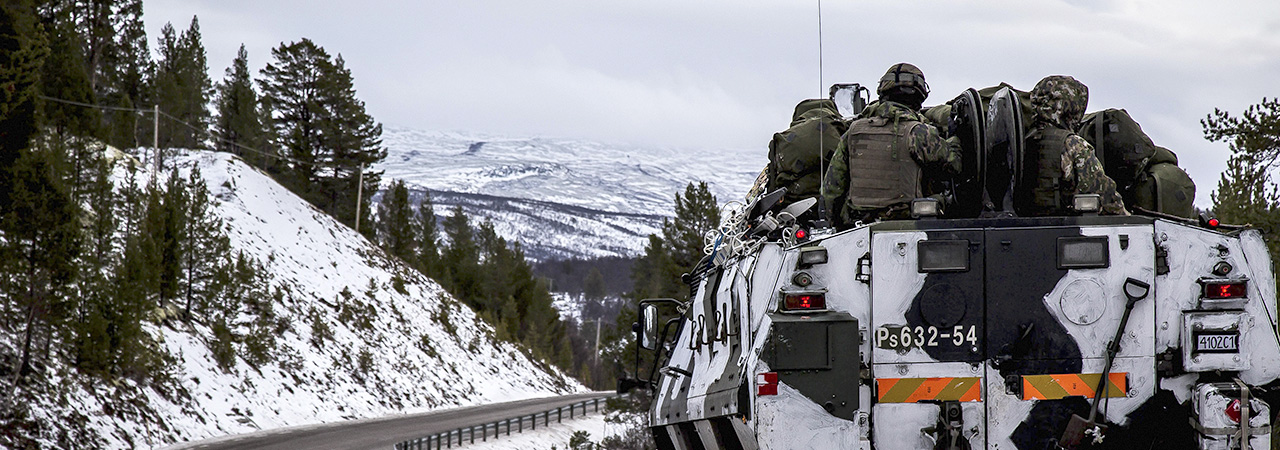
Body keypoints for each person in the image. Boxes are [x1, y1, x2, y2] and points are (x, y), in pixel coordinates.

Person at [823, 63, 961, 226]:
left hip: (859, 226)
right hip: (909, 224)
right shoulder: (919, 133)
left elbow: (831, 189)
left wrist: (835, 226)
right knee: (947, 198)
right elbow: (954, 165)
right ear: (919, 96)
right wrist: (955, 138)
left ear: (883, 93)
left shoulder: (853, 132)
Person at [1018, 75, 1128, 216]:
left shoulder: (1022, 141)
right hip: (1064, 229)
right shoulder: (1072, 144)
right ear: (1070, 107)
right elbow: (1107, 198)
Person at [767, 98, 847, 221]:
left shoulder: (784, 140)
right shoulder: (844, 131)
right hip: (837, 212)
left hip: (793, 213)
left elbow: (772, 189)